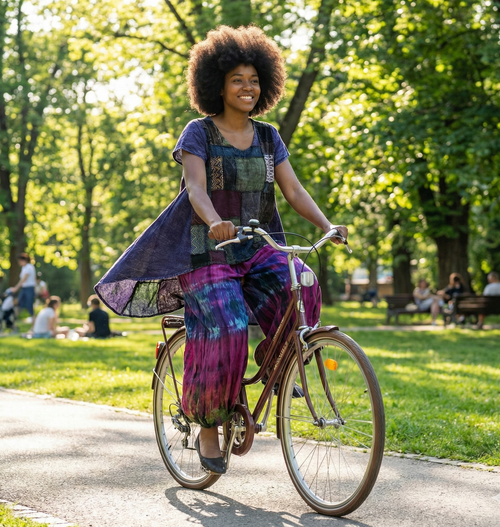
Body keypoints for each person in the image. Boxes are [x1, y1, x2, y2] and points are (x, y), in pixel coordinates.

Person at [95, 25, 348, 475]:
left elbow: (292, 189)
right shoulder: (199, 133)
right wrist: (214, 222)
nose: (247, 87)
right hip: (207, 252)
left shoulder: (269, 137)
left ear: (265, 84)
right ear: (218, 85)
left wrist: (327, 225)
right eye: (237, 80)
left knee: (303, 284)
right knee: (226, 324)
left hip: (257, 246)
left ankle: (279, 364)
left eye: (254, 79)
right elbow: (194, 187)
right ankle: (208, 424)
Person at [9, 253, 36, 322]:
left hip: (29, 288)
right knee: (18, 305)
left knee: (30, 306)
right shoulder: (24, 268)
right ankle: (13, 323)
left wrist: (16, 288)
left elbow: (24, 279)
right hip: (24, 289)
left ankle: (34, 325)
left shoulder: (29, 267)